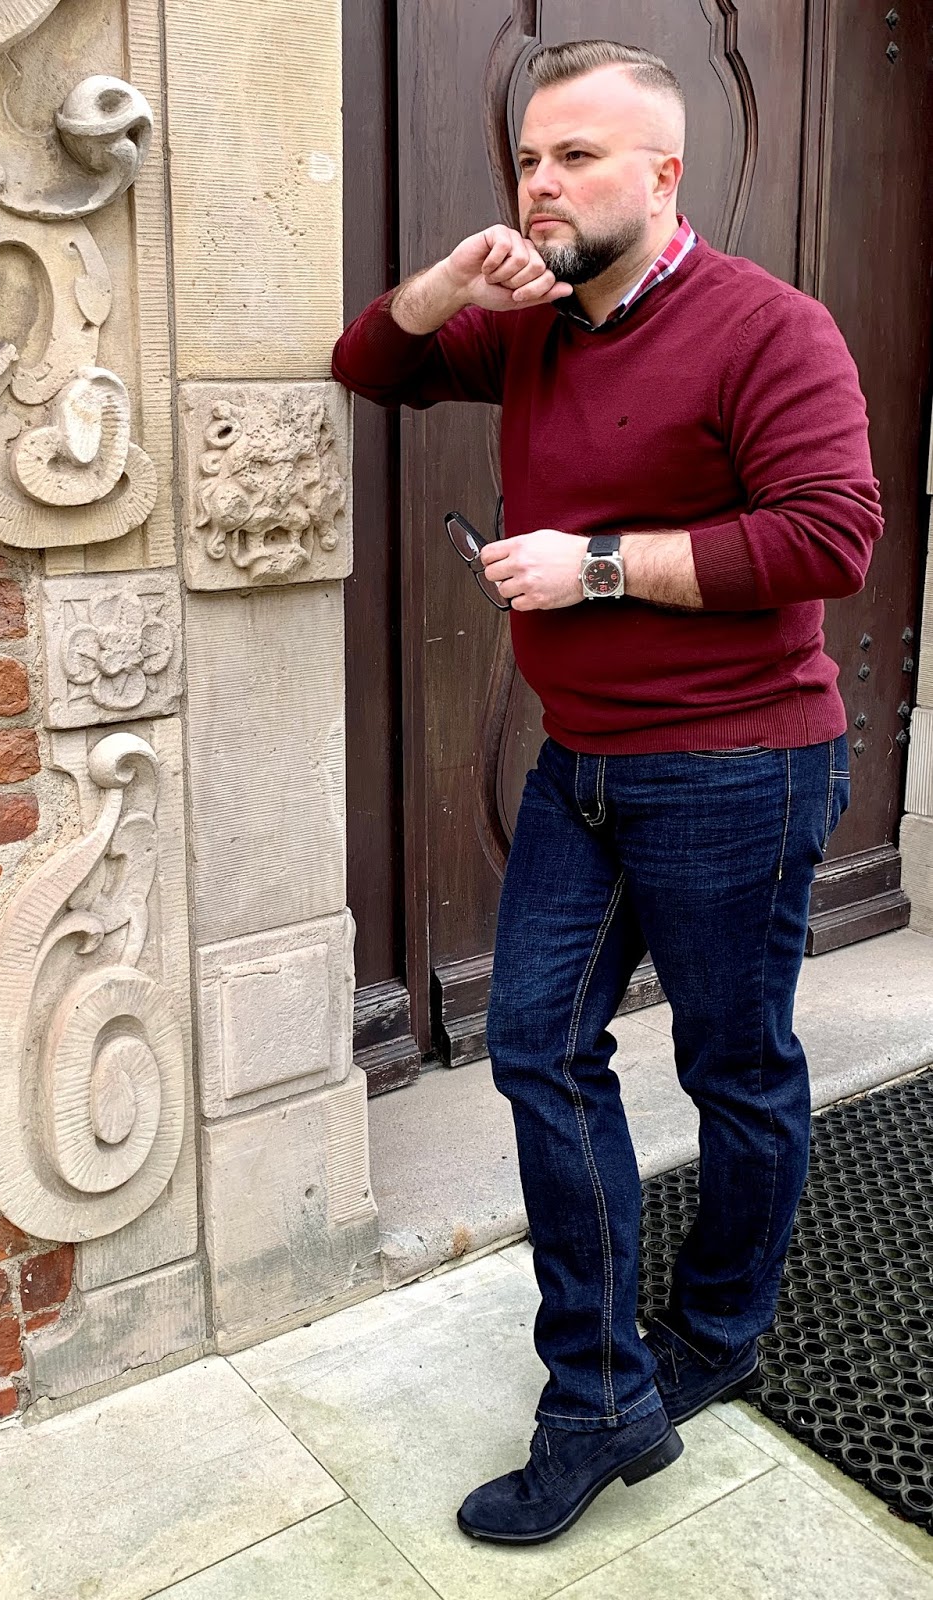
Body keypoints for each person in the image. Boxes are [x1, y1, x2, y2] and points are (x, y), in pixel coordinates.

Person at [332, 38, 882, 1546]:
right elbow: (370, 366)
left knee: (735, 1069)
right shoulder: (528, 326)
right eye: (528, 159)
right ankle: (596, 1396)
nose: (542, 184)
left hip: (739, 766)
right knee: (537, 1053)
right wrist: (452, 281)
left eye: (577, 157)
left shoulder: (769, 328)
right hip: (581, 766)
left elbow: (830, 535)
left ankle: (721, 1327)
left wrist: (596, 565)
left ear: (664, 174)